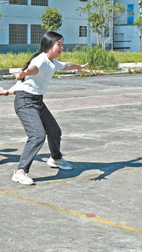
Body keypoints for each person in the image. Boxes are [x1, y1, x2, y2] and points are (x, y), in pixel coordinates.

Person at [10, 31, 88, 185]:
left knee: (54, 131)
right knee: (37, 135)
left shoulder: (52, 61)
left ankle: (56, 159)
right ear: (50, 44)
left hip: (37, 100)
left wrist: (78, 67)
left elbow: (65, 65)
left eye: (62, 44)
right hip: (25, 101)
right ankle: (20, 172)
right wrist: (26, 72)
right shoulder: (41, 60)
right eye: (59, 44)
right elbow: (34, 68)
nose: (62, 48)